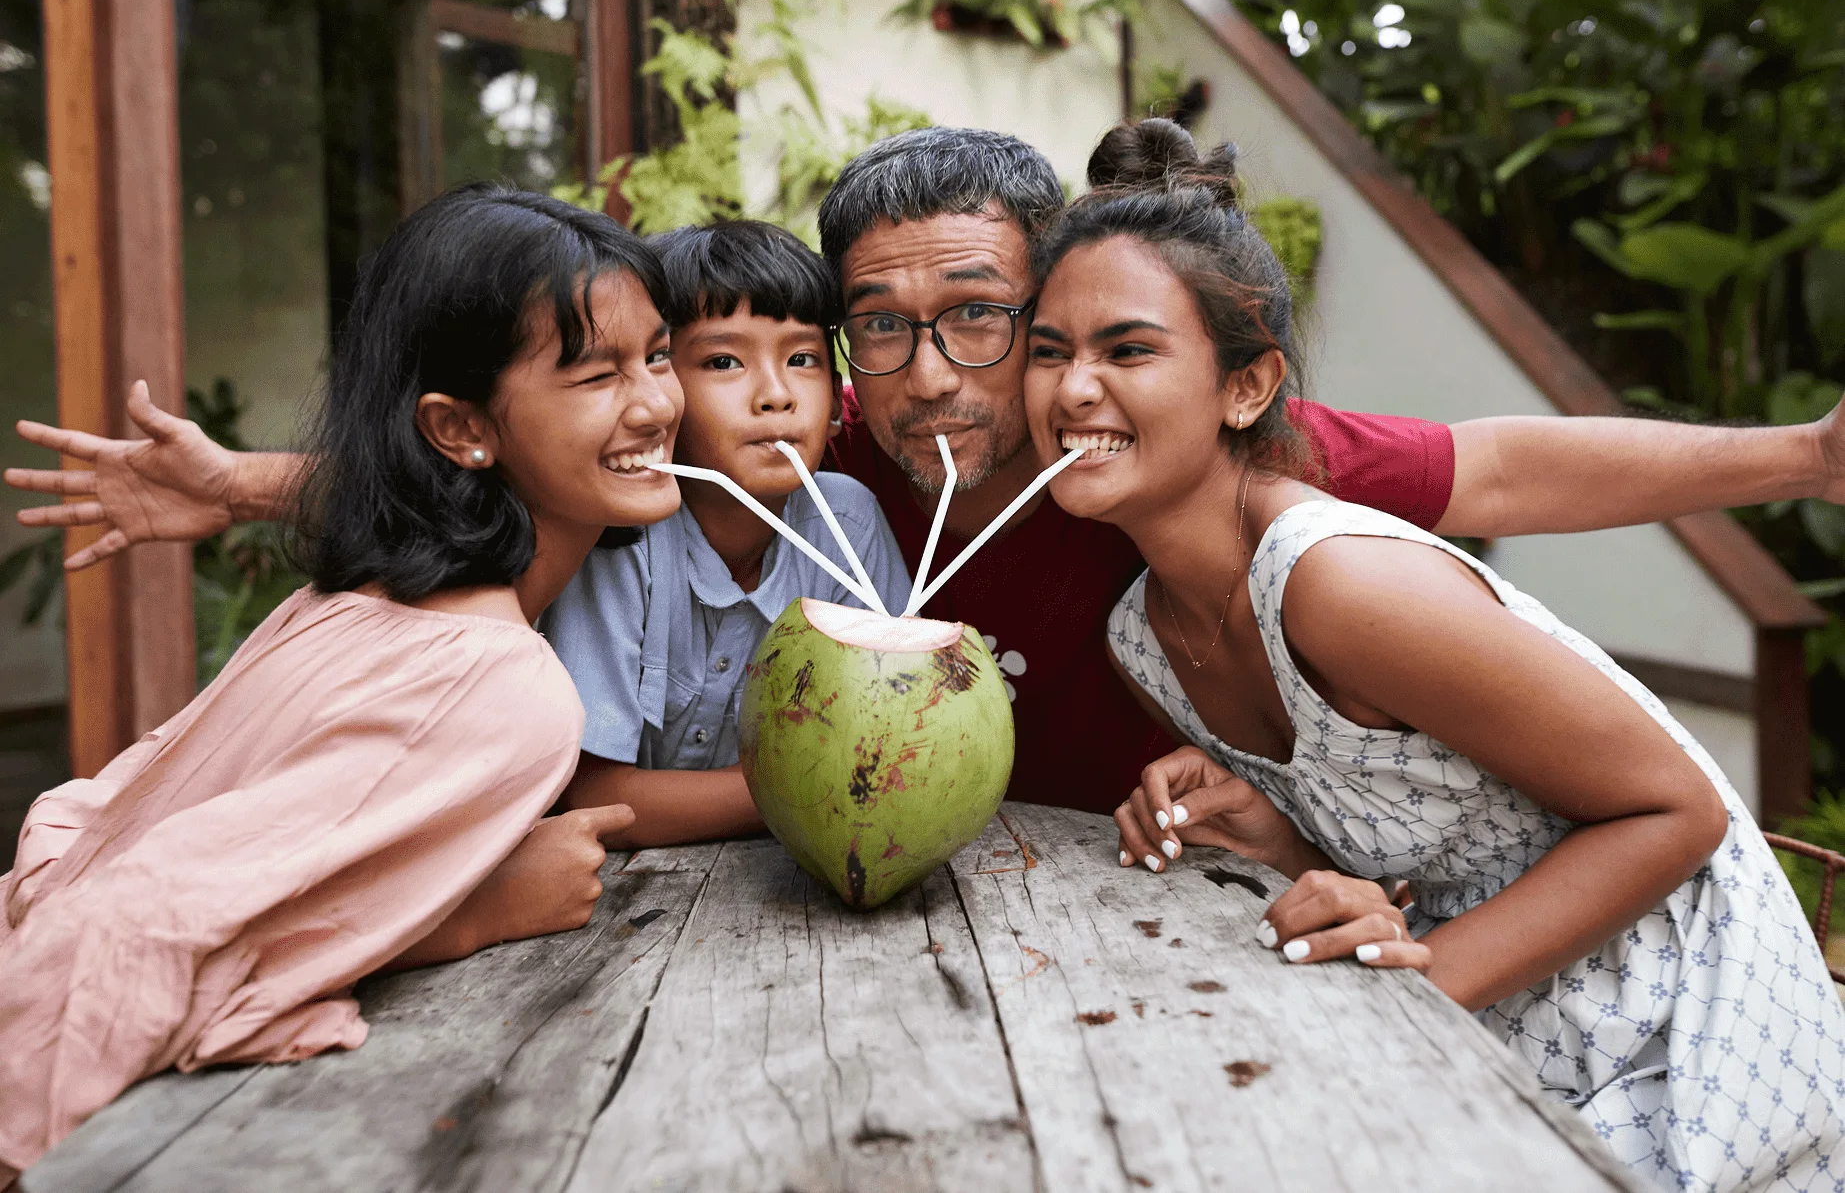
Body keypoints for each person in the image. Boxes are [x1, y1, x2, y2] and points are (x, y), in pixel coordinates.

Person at [10, 127, 1845, 814]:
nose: (929, 367)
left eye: (983, 315)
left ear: (1049, 309)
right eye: (872, 323)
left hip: (1190, 893)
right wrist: (246, 486)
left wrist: (1806, 453)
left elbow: (1511, 464)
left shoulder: (1162, 451)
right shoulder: (834, 477)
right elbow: (559, 465)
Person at [1039, 121, 1843, 1193]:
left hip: (1687, 1038)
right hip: (1499, 1026)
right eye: (1050, 352)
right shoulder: (1145, 634)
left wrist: (1415, 983)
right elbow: (1417, 831)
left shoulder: (1339, 583)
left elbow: (1679, 810)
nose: (1074, 388)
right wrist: (1274, 834)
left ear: (1246, 388)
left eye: (1126, 350)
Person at [0, 187, 685, 1179]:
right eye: (594, 374)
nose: (658, 403)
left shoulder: (350, 605)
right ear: (459, 428)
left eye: (657, 355)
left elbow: (119, 846)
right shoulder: (497, 685)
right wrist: (465, 913)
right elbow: (126, 927)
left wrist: (240, 481)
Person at [544, 220, 908, 846]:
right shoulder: (620, 535)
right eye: (722, 361)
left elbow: (902, 726)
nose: (775, 395)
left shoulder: (846, 525)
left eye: (802, 359)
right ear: (659, 386)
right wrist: (820, 790)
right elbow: (593, 796)